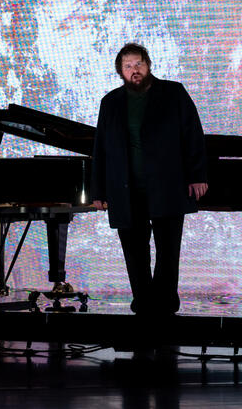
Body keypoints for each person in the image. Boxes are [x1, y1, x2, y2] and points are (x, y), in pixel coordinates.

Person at [91, 43, 208, 316]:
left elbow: (193, 135)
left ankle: (165, 304)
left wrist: (198, 175)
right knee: (134, 251)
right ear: (120, 71)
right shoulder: (110, 102)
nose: (135, 70)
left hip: (167, 185)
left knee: (168, 250)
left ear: (149, 65)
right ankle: (143, 303)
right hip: (125, 189)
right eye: (128, 66)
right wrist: (98, 190)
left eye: (139, 64)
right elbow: (101, 149)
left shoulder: (173, 93)